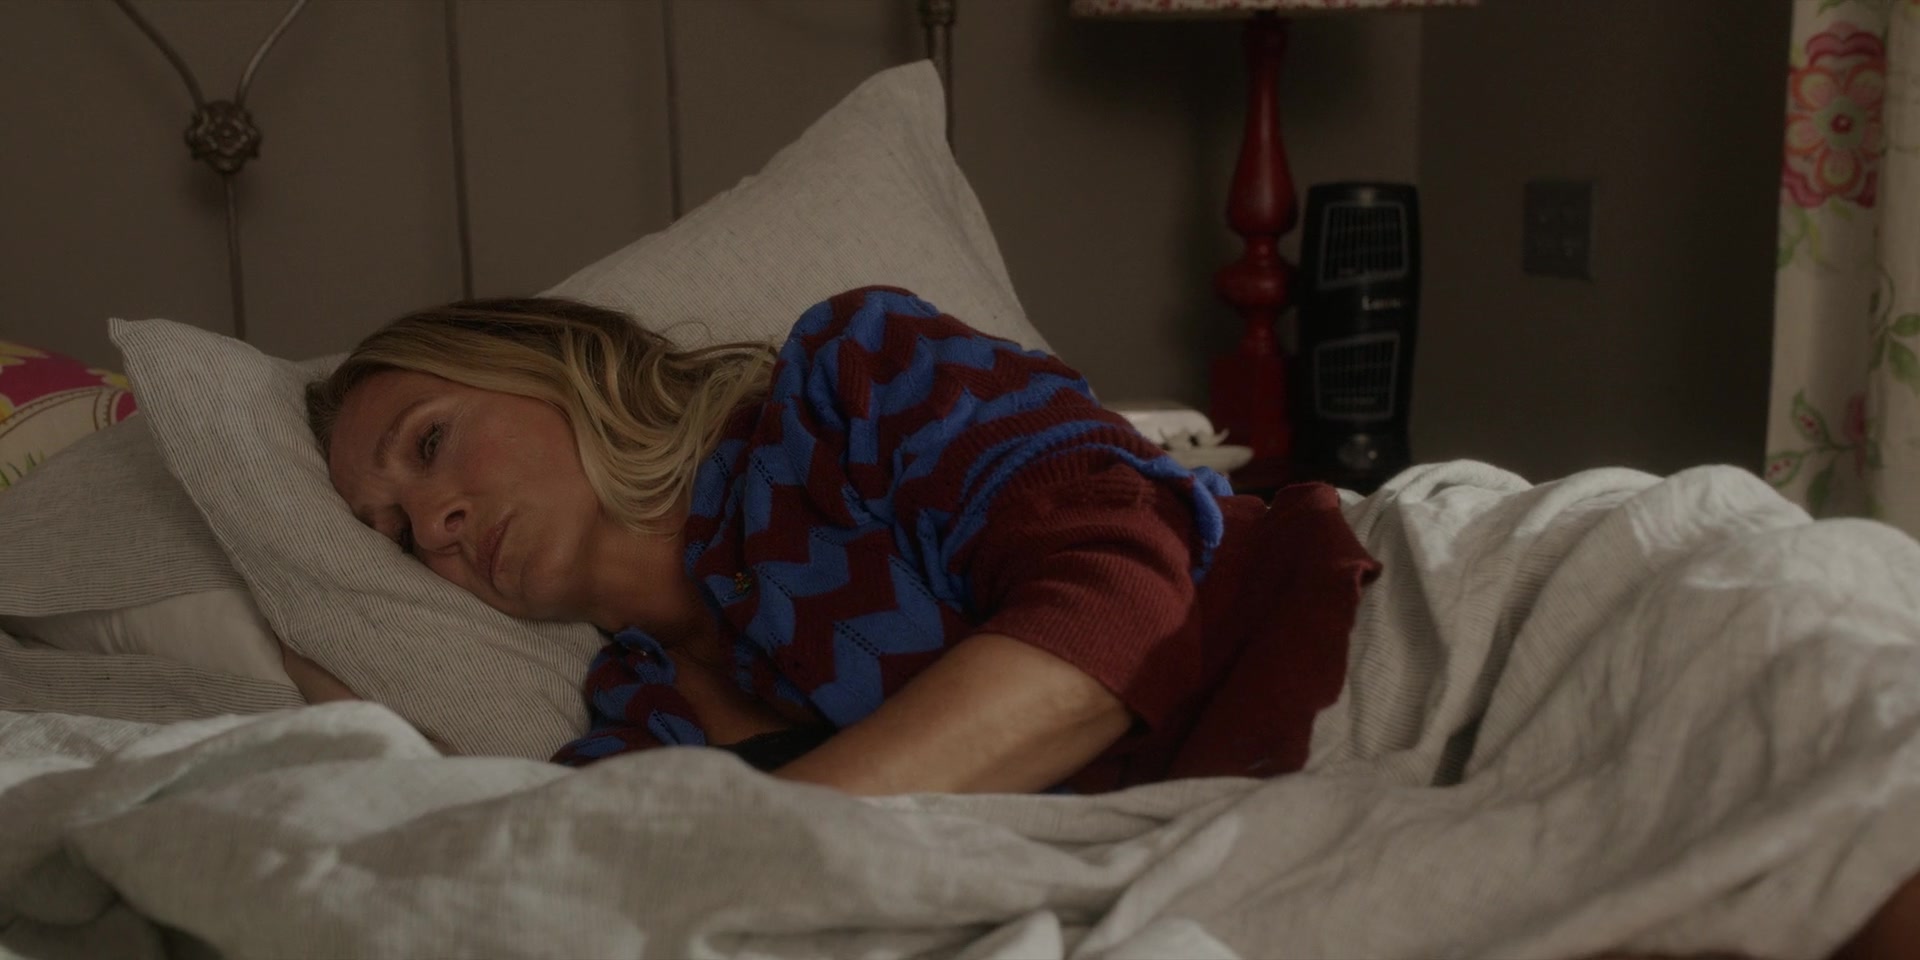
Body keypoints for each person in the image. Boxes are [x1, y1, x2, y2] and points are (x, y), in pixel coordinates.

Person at [300, 286, 1920, 955]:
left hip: (1397, 623)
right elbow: (578, 889)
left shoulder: (846, 378)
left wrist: (790, 827)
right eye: (384, 529)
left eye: (429, 445)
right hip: (1236, 823)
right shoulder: (637, 719)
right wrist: (346, 729)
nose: (427, 524)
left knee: (1817, 708)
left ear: (553, 364)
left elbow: (1120, 596)